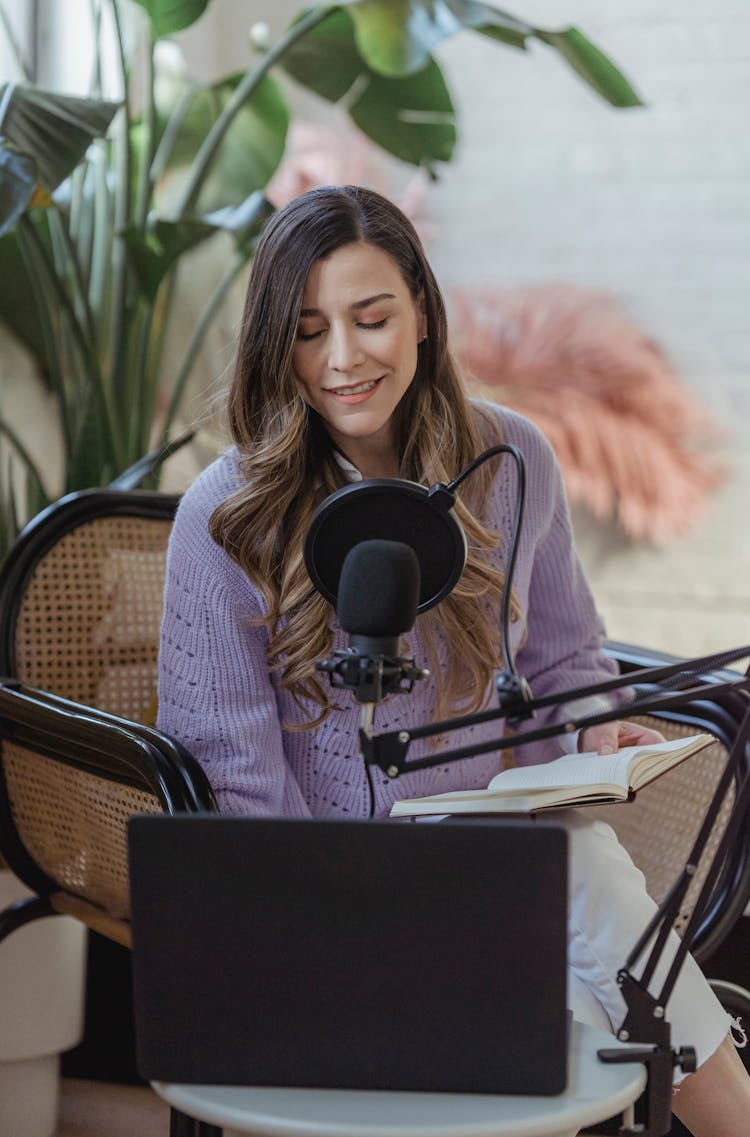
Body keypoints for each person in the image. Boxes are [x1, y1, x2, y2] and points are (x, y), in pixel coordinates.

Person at [157, 184, 750, 1133]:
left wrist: (595, 739)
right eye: (309, 330)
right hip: (312, 892)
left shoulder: (513, 460)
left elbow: (563, 665)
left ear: (423, 315)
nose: (343, 358)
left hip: (487, 866)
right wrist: (350, 912)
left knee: (586, 883)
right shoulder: (227, 518)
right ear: (276, 344)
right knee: (600, 973)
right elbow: (236, 782)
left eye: (372, 317)